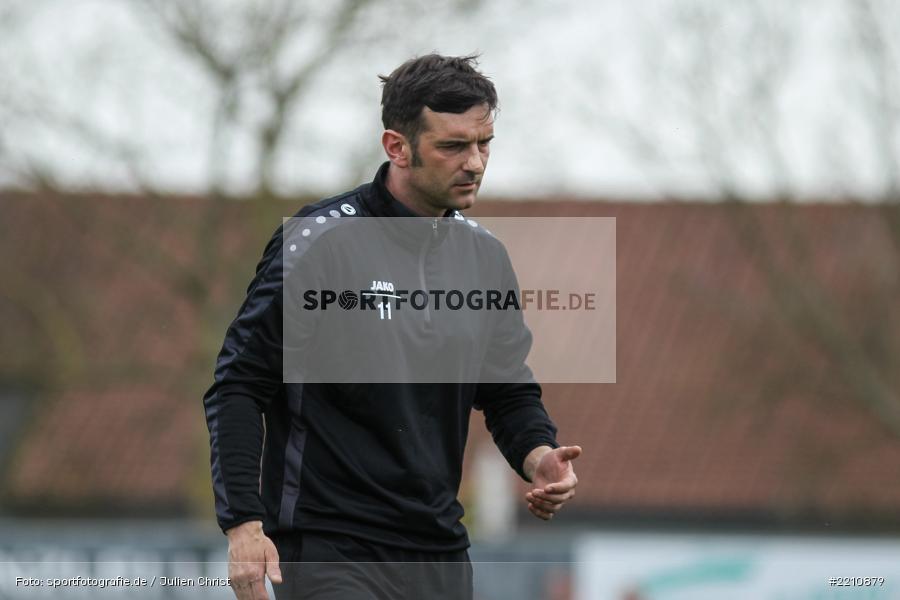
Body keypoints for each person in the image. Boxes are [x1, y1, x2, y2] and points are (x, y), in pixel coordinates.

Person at [203, 53, 582, 600]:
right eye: (453, 146)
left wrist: (539, 454)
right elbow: (239, 385)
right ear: (396, 147)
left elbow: (504, 390)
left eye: (484, 143)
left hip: (440, 552)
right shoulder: (319, 244)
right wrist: (243, 524)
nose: (474, 162)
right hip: (330, 548)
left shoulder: (485, 257)